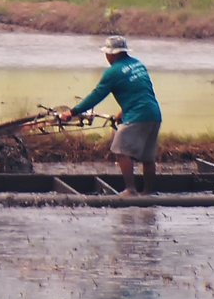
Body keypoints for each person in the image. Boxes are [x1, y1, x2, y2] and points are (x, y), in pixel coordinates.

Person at [57, 35, 162, 196]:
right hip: (153, 114)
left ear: (111, 54)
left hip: (138, 116)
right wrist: (123, 111)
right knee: (147, 157)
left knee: (120, 149)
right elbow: (141, 90)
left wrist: (72, 112)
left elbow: (96, 96)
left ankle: (130, 190)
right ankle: (147, 192)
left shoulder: (112, 72)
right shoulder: (137, 64)